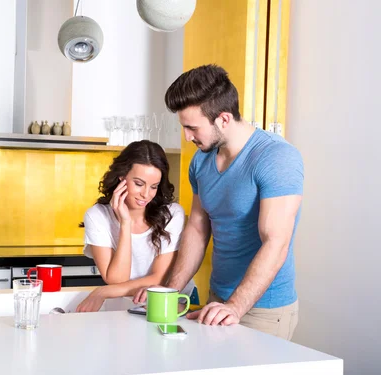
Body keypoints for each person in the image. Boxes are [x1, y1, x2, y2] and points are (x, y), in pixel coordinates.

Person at [134, 64, 304, 340]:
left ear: (223, 119)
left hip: (262, 310)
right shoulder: (201, 159)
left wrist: (235, 307)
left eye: (192, 128)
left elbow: (276, 242)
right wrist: (171, 292)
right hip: (217, 300)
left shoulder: (276, 158)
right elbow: (198, 229)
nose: (187, 137)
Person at [76, 140, 195, 312]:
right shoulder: (97, 216)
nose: (146, 194)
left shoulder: (172, 214)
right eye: (139, 184)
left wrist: (103, 291)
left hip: (177, 301)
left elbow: (159, 278)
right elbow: (117, 279)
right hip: (131, 303)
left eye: (153, 186)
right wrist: (125, 224)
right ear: (122, 177)